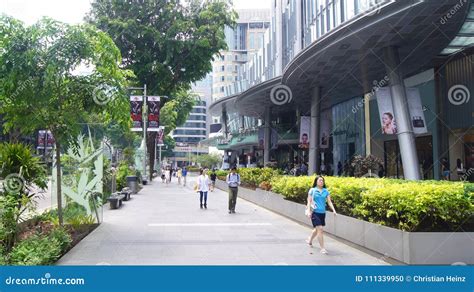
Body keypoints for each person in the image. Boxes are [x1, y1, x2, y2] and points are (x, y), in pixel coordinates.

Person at [306, 176, 337, 254]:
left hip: (322, 213)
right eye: (320, 180)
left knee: (317, 229)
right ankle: (322, 248)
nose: (321, 182)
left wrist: (334, 210)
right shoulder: (312, 190)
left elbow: (329, 202)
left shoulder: (326, 191)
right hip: (315, 212)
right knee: (320, 228)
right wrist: (309, 211)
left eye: (322, 181)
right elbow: (309, 201)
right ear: (316, 181)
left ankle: (310, 240)